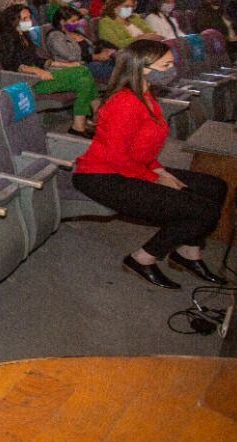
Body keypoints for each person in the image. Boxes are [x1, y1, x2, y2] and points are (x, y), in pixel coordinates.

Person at [72, 41, 227, 289]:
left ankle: (188, 252)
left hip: (130, 167)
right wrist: (157, 179)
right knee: (204, 211)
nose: (172, 69)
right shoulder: (126, 102)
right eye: (165, 65)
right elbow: (117, 158)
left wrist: (160, 170)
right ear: (143, 69)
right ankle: (142, 259)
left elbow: (141, 150)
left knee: (214, 187)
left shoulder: (145, 95)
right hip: (102, 176)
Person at [0, 4, 99, 135]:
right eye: (24, 19)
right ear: (13, 21)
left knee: (83, 72)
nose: (29, 21)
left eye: (29, 17)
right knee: (83, 77)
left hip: (39, 75)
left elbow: (38, 60)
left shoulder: (24, 35)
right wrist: (37, 71)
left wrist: (64, 65)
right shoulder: (6, 37)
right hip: (29, 81)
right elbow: (11, 64)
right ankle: (94, 116)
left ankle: (82, 123)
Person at [47, 7, 115, 82]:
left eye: (77, 20)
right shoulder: (56, 36)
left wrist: (102, 51)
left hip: (89, 63)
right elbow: (70, 56)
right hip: (73, 66)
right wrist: (95, 57)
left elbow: (89, 48)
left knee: (118, 64)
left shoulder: (77, 32)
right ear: (62, 22)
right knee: (115, 71)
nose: (76, 23)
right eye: (73, 21)